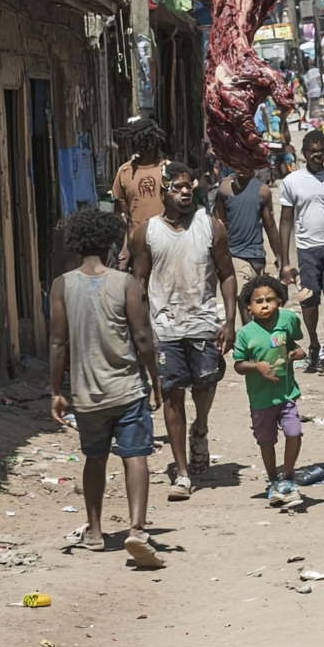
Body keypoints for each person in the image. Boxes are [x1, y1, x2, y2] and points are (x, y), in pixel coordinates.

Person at [48, 207, 165, 568]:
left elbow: (57, 343)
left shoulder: (62, 285)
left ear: (76, 243)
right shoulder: (125, 283)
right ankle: (136, 528)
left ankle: (95, 532)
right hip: (127, 389)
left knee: (94, 459)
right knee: (135, 456)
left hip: (87, 395)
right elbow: (143, 336)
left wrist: (56, 390)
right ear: (111, 241)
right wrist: (155, 381)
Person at [131, 162, 236, 500]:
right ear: (163, 192)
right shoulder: (147, 232)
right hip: (165, 327)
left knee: (206, 383)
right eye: (178, 187)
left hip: (203, 323)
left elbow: (227, 274)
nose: (186, 191)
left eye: (189, 186)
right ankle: (183, 473)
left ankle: (201, 427)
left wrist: (230, 320)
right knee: (172, 395)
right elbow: (140, 284)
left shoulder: (211, 226)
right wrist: (140, 329)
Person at [279, 130, 324, 374]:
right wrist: (285, 261)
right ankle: (313, 344)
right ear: (304, 153)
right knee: (309, 301)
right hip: (307, 249)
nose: (317, 154)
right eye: (312, 150)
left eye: (321, 150)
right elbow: (285, 221)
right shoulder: (292, 182)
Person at [233, 274, 305, 509]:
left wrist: (297, 354)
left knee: (293, 432)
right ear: (249, 307)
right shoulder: (246, 334)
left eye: (270, 300)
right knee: (266, 441)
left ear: (279, 302)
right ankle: (273, 478)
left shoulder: (288, 320)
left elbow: (295, 346)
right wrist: (256, 367)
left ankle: (288, 476)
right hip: (260, 398)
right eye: (259, 301)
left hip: (286, 393)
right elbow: (238, 364)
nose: (265, 305)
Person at [213, 168, 282, 325]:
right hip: (236, 255)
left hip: (257, 256)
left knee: (257, 301)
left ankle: (257, 336)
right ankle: (250, 335)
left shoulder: (262, 191)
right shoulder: (223, 189)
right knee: (243, 300)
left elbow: (269, 225)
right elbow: (219, 222)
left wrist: (279, 256)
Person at [111, 118, 170, 269]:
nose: (144, 150)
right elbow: (122, 216)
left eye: (148, 145)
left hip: (168, 244)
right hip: (138, 246)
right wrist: (124, 248)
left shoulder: (168, 170)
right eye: (140, 146)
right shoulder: (125, 172)